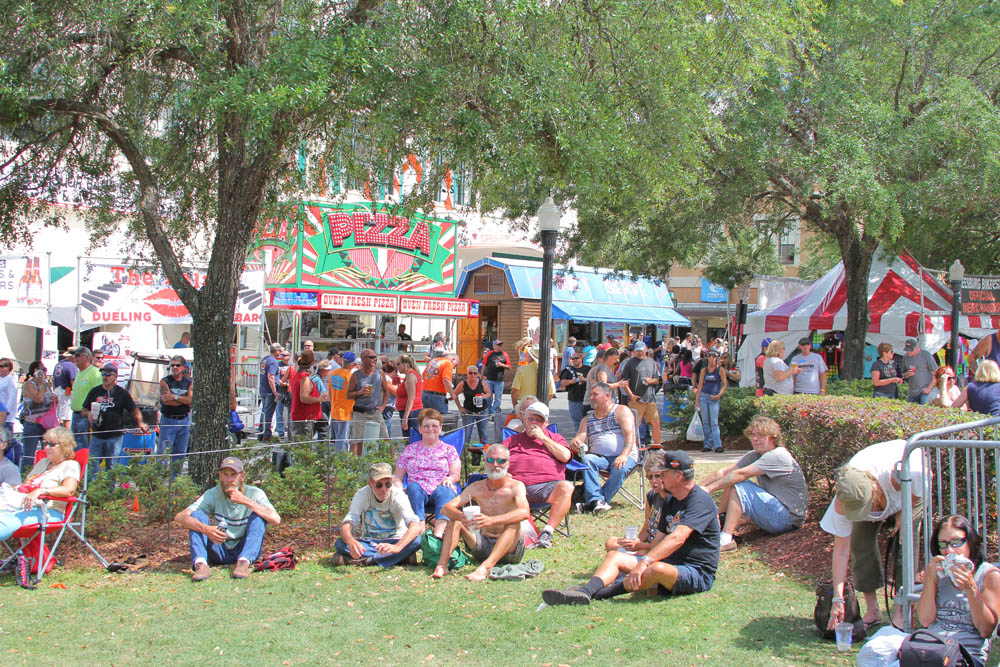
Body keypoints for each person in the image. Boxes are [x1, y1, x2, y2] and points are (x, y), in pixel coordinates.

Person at [542, 450, 719, 605]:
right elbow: (658, 540)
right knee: (615, 556)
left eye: (663, 474)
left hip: (696, 570)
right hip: (669, 560)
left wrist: (645, 561)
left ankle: (601, 595)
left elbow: (677, 537)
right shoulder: (670, 499)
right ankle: (584, 592)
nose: (659, 478)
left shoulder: (700, 501)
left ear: (678, 476)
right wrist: (643, 554)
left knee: (655, 569)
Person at [857, 516, 1000, 667]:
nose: (949, 550)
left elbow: (985, 630)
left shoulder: (989, 575)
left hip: (964, 656)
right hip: (929, 647)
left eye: (956, 543)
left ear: (970, 542)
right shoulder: (938, 573)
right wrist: (930, 579)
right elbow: (925, 620)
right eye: (943, 544)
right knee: (873, 651)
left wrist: (971, 590)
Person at [822, 439, 925, 630]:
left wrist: (904, 513)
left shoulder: (901, 471)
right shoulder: (846, 496)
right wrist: (838, 598)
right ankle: (873, 610)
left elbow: (925, 481)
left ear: (873, 492)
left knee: (905, 544)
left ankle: (902, 612)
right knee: (860, 545)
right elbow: (842, 551)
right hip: (870, 490)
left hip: (909, 492)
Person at [699, 416, 808, 552]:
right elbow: (724, 472)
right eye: (753, 435)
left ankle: (726, 539)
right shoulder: (756, 454)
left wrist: (709, 489)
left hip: (788, 520)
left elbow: (740, 475)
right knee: (732, 480)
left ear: (773, 437)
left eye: (760, 435)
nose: (755, 439)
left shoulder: (777, 455)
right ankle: (719, 526)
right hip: (776, 512)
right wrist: (697, 490)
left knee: (739, 484)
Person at [431, 443, 530, 582]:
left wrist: (492, 520)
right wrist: (461, 516)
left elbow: (525, 513)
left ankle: (485, 568)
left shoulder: (516, 486)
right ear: (485, 462)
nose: (495, 464)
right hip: (482, 545)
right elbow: (446, 508)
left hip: (510, 550)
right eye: (491, 460)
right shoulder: (476, 488)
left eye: (501, 461)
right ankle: (442, 565)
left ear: (508, 463)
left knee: (514, 523)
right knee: (455, 520)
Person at [174, 456, 281, 581]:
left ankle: (244, 563)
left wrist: (245, 501)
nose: (229, 480)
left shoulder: (255, 493)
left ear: (242, 476)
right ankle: (201, 565)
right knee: (197, 516)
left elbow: (276, 519)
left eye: (233, 475)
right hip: (219, 547)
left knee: (259, 516)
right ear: (220, 475)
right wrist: (206, 529)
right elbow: (180, 517)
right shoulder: (213, 493)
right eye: (225, 474)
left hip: (243, 547)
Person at [505, 401, 574, 549]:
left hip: (546, 488)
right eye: (531, 419)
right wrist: (504, 474)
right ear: (524, 419)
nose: (534, 423)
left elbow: (565, 456)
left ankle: (547, 532)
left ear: (546, 423)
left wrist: (543, 438)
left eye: (539, 420)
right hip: (515, 488)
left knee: (567, 487)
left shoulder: (555, 438)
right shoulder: (512, 440)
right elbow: (496, 460)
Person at [334, 462, 423, 568]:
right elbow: (348, 522)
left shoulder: (398, 495)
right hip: (370, 542)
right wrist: (351, 541)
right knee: (340, 543)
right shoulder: (361, 495)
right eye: (379, 485)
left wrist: (398, 547)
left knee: (418, 540)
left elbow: (415, 525)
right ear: (370, 483)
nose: (384, 489)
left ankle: (367, 561)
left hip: (395, 540)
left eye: (388, 484)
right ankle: (400, 558)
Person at [0, 427, 81, 543]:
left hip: (49, 511)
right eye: (45, 443)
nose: (46, 447)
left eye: (52, 444)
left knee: (5, 521)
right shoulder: (43, 463)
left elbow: (69, 490)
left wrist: (42, 491)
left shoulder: (71, 465)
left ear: (65, 446)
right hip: (23, 506)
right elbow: (27, 485)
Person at [570, 382, 638, 514]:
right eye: (590, 395)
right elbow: (579, 437)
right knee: (587, 459)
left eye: (595, 394)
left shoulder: (621, 411)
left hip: (624, 455)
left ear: (607, 396)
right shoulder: (587, 419)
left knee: (620, 467)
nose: (591, 398)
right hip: (601, 458)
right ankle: (597, 500)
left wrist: (624, 455)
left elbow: (630, 435)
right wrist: (575, 442)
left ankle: (596, 502)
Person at [394, 408, 460, 538]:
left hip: (440, 487)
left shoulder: (449, 450)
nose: (431, 429)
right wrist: (398, 488)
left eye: (435, 426)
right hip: (417, 489)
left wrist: (450, 480)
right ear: (420, 428)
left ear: (440, 428)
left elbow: (455, 474)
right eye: (426, 426)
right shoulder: (410, 449)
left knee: (446, 490)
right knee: (413, 487)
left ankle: (438, 535)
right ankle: (420, 530)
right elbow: (398, 476)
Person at [81, 364, 148, 477]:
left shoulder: (122, 393)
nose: (105, 376)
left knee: (112, 465)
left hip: (115, 436)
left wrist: (140, 422)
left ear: (115, 377)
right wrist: (88, 414)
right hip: (97, 435)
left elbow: (134, 410)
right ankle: (90, 491)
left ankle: (109, 492)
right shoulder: (95, 391)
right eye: (103, 373)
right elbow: (83, 409)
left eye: (108, 374)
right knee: (91, 465)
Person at [346, 348, 390, 454]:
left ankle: (391, 463)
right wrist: (360, 392)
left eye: (375, 357)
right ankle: (358, 465)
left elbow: (386, 391)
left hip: (375, 411)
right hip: (360, 412)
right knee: (357, 441)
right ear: (363, 359)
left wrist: (383, 406)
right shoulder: (356, 375)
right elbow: (348, 395)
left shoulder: (380, 373)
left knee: (386, 438)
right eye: (371, 357)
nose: (375, 359)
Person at [619, 341, 662, 447]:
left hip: (650, 398)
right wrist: (631, 396)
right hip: (636, 400)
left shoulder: (652, 363)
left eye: (641, 350)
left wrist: (650, 381)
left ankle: (657, 445)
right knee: (634, 425)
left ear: (646, 349)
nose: (639, 353)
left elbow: (658, 380)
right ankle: (634, 446)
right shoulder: (630, 363)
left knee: (655, 422)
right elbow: (624, 381)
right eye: (637, 351)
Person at [158, 354, 193, 472]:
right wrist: (182, 399)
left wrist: (175, 397)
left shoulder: (189, 382)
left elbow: (191, 401)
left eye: (177, 365)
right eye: (172, 365)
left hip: (184, 420)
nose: (174, 367)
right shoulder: (165, 381)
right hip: (168, 420)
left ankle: (175, 482)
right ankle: (159, 481)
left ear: (183, 367)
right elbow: (166, 400)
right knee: (163, 454)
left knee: (180, 454)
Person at [19, 360, 55, 471]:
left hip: (45, 424)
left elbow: (52, 397)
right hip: (32, 423)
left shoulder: (46, 384)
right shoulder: (28, 385)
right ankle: (25, 477)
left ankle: (43, 475)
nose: (44, 372)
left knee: (48, 454)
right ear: (35, 371)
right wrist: (39, 384)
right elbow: (39, 399)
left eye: (45, 370)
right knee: (29, 455)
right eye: (42, 370)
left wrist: (53, 397)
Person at [68, 347, 102, 451]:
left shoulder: (94, 372)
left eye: (78, 355)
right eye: (74, 355)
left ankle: (83, 467)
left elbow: (99, 394)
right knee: (75, 446)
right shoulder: (79, 373)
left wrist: (92, 414)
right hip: (76, 414)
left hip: (86, 416)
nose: (75, 357)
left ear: (86, 357)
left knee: (83, 447)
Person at [693, 349, 727, 453]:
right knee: (706, 422)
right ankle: (707, 444)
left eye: (713, 356)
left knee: (714, 422)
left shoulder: (720, 370)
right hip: (704, 396)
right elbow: (700, 384)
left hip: (714, 397)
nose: (711, 358)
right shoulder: (704, 370)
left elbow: (724, 384)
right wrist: (697, 399)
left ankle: (718, 445)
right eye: (709, 356)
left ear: (716, 358)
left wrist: (719, 395)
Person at [289, 350, 329, 438]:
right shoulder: (305, 378)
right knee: (304, 446)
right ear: (310, 366)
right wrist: (320, 399)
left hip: (304, 416)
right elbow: (304, 398)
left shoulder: (297, 375)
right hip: (304, 417)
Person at [454, 366, 491, 447]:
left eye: (475, 373)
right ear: (467, 374)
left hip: (482, 411)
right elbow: (454, 395)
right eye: (470, 373)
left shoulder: (482, 383)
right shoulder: (463, 384)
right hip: (468, 412)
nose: (473, 375)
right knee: (466, 434)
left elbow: (489, 393)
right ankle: (465, 454)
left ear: (478, 374)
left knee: (483, 434)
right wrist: (460, 408)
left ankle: (485, 454)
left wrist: (485, 396)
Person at [327, 351, 355, 452]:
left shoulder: (333, 373)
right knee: (343, 438)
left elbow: (330, 390)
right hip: (345, 411)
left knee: (339, 436)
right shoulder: (350, 376)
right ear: (352, 364)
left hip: (334, 409)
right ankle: (341, 461)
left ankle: (338, 458)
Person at [559, 350, 591, 432]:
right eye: (572, 359)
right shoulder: (568, 370)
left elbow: (594, 381)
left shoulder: (588, 369)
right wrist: (575, 380)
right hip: (574, 400)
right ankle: (579, 442)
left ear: (581, 359)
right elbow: (563, 382)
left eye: (576, 358)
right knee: (577, 423)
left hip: (587, 400)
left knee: (589, 423)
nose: (574, 360)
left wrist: (585, 379)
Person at [899, 338, 939, 404]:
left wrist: (929, 388)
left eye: (910, 350)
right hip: (912, 392)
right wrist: (907, 374)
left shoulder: (926, 355)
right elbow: (903, 374)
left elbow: (936, 372)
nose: (908, 352)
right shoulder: (905, 357)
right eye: (907, 350)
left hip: (924, 390)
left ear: (916, 348)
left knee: (924, 409)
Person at [394, 354, 423, 440]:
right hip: (412, 410)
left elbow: (411, 398)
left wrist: (405, 418)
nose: (396, 366)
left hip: (412, 412)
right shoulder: (411, 375)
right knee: (411, 439)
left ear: (405, 364)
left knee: (410, 439)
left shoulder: (411, 376)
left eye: (398, 364)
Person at [258, 343, 282, 441]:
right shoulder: (273, 362)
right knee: (268, 413)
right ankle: (266, 434)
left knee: (264, 411)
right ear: (276, 351)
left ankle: (261, 432)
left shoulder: (264, 359)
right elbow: (271, 376)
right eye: (279, 350)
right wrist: (275, 391)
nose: (280, 352)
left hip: (263, 389)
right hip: (269, 391)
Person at [421, 346, 455, 414]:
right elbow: (446, 380)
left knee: (427, 420)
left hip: (425, 394)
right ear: (452, 359)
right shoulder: (447, 363)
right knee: (439, 420)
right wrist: (452, 394)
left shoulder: (432, 362)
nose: (454, 367)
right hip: (437, 396)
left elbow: (423, 375)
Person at [482, 339, 510, 416]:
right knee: (488, 396)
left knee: (498, 398)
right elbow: (484, 365)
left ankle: (494, 412)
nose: (499, 346)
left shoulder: (504, 354)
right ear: (494, 346)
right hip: (489, 379)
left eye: (500, 345)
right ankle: (489, 411)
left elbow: (509, 367)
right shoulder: (489, 354)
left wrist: (502, 365)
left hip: (499, 379)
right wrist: (482, 376)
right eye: (498, 345)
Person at [52, 349, 77, 429]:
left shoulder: (59, 364)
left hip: (57, 390)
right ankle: (67, 436)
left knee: (59, 415)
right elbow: (73, 381)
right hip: (66, 392)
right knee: (67, 417)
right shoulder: (71, 366)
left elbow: (54, 379)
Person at [0, 358, 17, 443]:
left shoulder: (10, 379)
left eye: (1, 366)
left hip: (6, 418)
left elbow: (12, 398)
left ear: (8, 368)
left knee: (6, 441)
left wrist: (6, 413)